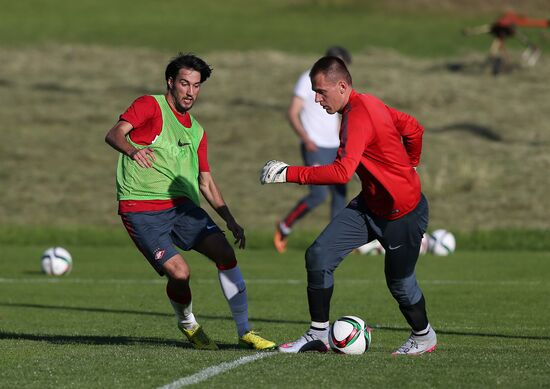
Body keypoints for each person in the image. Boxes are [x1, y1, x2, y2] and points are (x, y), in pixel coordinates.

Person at [260, 56, 436, 355]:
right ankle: (319, 334)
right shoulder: (369, 104)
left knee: (400, 286)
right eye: (314, 92)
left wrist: (289, 173)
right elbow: (414, 129)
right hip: (370, 206)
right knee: (318, 255)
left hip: (403, 215)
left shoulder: (358, 117)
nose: (316, 99)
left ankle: (423, 336)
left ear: (342, 86)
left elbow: (341, 172)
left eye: (321, 92)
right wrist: (412, 163)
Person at [105, 53, 275, 351]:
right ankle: (188, 324)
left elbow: (206, 181)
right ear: (171, 82)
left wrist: (230, 219)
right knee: (180, 273)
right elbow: (114, 134)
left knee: (225, 253)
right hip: (142, 208)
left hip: (182, 208)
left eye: (196, 86)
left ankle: (245, 331)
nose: (190, 92)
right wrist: (132, 151)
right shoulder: (150, 105)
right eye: (185, 83)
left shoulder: (197, 131)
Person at [274, 46, 352, 254]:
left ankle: (337, 243)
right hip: (315, 145)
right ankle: (284, 226)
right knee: (318, 195)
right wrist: (306, 138)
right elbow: (292, 112)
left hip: (336, 146)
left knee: (339, 196)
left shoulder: (339, 85)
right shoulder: (307, 79)